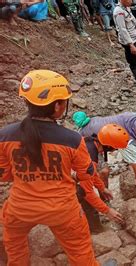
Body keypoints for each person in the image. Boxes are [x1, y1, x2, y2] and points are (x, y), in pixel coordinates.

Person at [0, 70, 99, 264]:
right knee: (81, 252)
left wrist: (28, 175)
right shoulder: (72, 139)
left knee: (15, 248)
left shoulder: (4, 135)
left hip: (21, 209)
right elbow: (87, 174)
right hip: (63, 210)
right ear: (57, 106)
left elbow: (3, 174)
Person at [72, 111, 136, 204]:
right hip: (84, 141)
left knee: (97, 172)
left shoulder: (134, 118)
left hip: (92, 128)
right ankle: (105, 201)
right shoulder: (129, 142)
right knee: (103, 172)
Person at [77, 124, 128, 233]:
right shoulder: (90, 156)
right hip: (58, 177)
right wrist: (107, 211)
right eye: (115, 148)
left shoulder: (90, 142)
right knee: (86, 201)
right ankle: (96, 232)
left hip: (69, 170)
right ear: (109, 146)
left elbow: (91, 173)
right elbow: (87, 191)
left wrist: (102, 188)